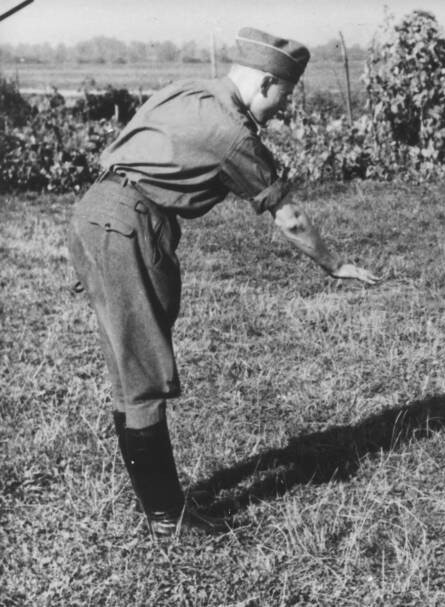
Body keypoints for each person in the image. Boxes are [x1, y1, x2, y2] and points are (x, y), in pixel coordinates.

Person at [68, 27, 380, 540]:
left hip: (94, 214)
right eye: (284, 95)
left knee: (129, 367)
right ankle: (168, 518)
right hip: (127, 227)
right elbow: (290, 218)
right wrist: (334, 264)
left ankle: (160, 504)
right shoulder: (234, 134)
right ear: (264, 83)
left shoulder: (189, 90)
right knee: (143, 371)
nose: (283, 107)